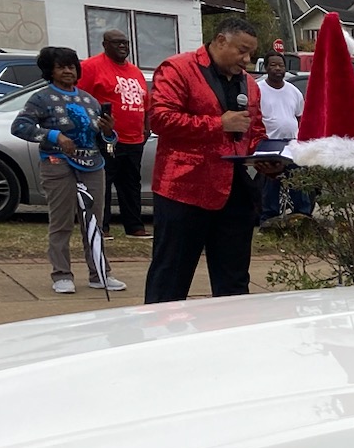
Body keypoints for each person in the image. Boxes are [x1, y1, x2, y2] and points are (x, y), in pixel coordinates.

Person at [145, 17, 268, 303]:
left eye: (251, 53)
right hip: (184, 189)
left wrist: (266, 157)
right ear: (221, 41)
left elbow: (256, 130)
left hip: (236, 191)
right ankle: (160, 340)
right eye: (242, 51)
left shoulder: (250, 84)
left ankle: (230, 337)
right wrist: (217, 124)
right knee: (171, 276)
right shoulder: (178, 68)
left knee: (234, 280)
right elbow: (160, 120)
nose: (247, 60)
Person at [10, 46, 123, 293]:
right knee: (61, 222)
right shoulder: (41, 98)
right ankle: (61, 274)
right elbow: (19, 127)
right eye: (61, 67)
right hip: (57, 164)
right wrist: (53, 135)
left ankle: (99, 273)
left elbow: (106, 142)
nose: (68, 71)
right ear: (50, 71)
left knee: (93, 222)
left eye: (71, 66)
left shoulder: (88, 99)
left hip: (92, 165)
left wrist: (108, 131)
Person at [78, 28, 149, 238]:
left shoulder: (135, 71)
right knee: (103, 182)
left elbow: (146, 102)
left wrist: (146, 126)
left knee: (131, 183)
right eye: (117, 42)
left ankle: (134, 226)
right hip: (106, 137)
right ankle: (103, 226)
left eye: (125, 43)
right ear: (105, 44)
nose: (122, 46)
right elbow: (81, 98)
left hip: (135, 138)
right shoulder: (91, 66)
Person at [256, 52, 312, 222]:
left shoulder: (293, 91)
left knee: (298, 182)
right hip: (268, 145)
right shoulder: (258, 90)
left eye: (280, 65)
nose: (278, 68)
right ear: (266, 68)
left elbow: (299, 117)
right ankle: (269, 219)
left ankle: (302, 217)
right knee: (271, 184)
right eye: (273, 65)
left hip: (291, 146)